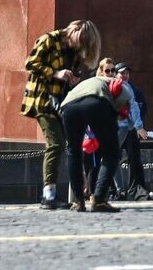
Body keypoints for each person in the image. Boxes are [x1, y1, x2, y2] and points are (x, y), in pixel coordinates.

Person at [20, 20, 101, 209]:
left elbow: (72, 72)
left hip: (62, 102)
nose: (80, 47)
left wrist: (73, 77)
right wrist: (56, 73)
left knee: (66, 145)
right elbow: (30, 64)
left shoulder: (74, 50)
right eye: (81, 42)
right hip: (42, 100)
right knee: (56, 144)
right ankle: (48, 196)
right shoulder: (49, 39)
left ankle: (58, 195)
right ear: (75, 33)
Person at [60, 57, 130, 212]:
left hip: (69, 107)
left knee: (73, 151)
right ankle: (98, 200)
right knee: (112, 153)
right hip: (97, 104)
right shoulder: (119, 85)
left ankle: (79, 201)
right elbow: (122, 105)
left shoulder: (89, 81)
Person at [115, 63, 149, 200]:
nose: (125, 75)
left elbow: (139, 107)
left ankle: (135, 189)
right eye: (122, 73)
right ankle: (116, 190)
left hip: (130, 129)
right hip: (115, 128)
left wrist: (138, 126)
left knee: (134, 159)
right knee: (112, 158)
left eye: (127, 73)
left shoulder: (134, 90)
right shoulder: (110, 87)